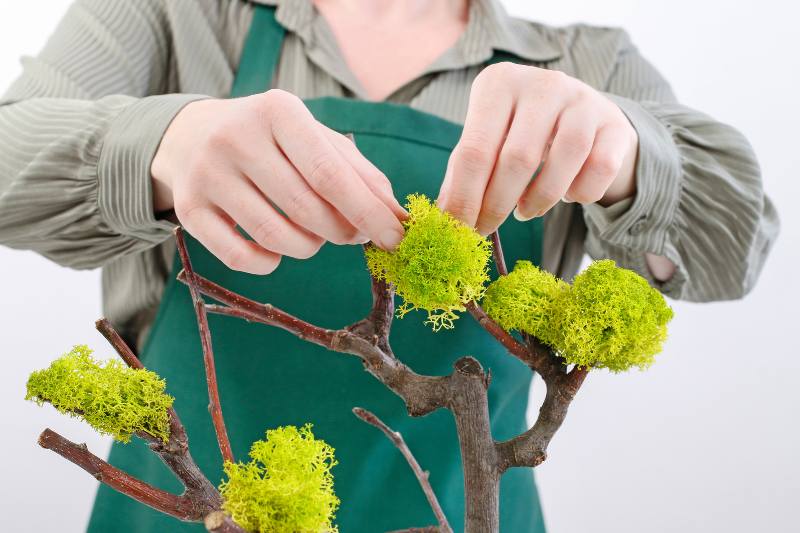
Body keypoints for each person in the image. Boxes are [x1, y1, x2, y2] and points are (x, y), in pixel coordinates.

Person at [0, 0, 778, 531]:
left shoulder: (584, 60)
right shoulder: (179, 16)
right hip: (188, 510)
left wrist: (631, 156)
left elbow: (738, 247)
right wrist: (162, 145)